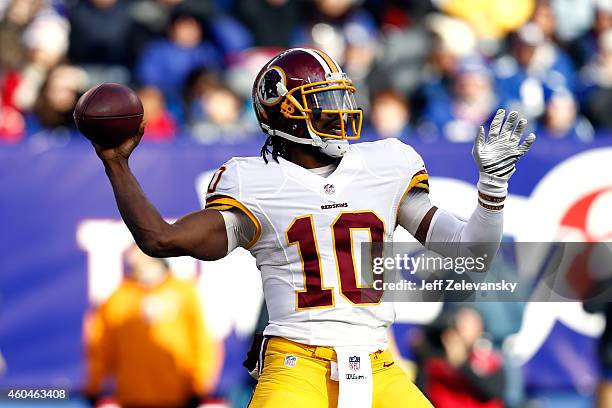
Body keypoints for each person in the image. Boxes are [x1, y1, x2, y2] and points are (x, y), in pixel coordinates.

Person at [88, 48, 535, 408]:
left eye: (341, 98)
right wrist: (116, 164)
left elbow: (469, 250)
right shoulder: (253, 182)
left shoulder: (386, 165)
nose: (340, 112)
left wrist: (492, 188)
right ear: (283, 113)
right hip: (296, 366)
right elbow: (159, 238)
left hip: (379, 364)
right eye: (322, 103)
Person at [84, 245, 222, 408]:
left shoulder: (184, 293)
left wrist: (199, 387)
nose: (132, 256)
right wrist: (95, 386)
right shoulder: (119, 297)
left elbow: (203, 342)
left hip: (177, 397)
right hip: (131, 398)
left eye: (138, 248)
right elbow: (100, 345)